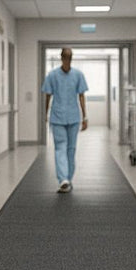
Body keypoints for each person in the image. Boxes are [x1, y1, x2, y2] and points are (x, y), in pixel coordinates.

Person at [42, 48, 89, 193]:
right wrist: (45, 113)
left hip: (73, 117)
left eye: (70, 57)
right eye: (66, 57)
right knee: (60, 147)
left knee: (71, 149)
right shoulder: (52, 75)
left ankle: (68, 178)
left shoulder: (78, 75)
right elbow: (48, 95)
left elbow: (81, 96)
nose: (68, 60)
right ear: (61, 58)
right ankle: (63, 179)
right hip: (57, 117)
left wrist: (85, 117)